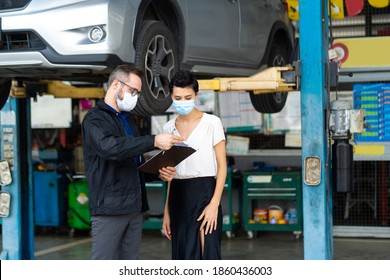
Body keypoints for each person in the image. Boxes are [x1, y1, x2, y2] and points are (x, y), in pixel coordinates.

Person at [81, 64, 183, 260]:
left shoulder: (128, 121)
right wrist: (153, 141)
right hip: (110, 209)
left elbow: (132, 162)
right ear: (115, 85)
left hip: (134, 206)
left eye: (137, 92)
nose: (135, 96)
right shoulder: (94, 119)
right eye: (132, 90)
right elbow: (111, 148)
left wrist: (158, 171)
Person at [162, 70, 227, 260]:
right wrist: (166, 212)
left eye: (187, 97)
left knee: (208, 254)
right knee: (183, 255)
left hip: (205, 192)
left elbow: (222, 167)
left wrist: (214, 204)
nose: (182, 102)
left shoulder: (212, 123)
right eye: (177, 98)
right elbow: (170, 175)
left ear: (197, 95)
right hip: (178, 196)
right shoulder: (168, 128)